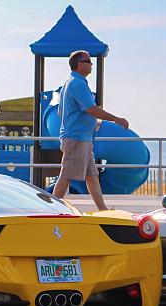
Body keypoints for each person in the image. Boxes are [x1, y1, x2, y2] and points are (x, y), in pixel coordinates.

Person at [52, 50, 129, 210]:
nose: (91, 64)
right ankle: (51, 208)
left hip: (82, 139)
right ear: (79, 64)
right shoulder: (78, 84)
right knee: (66, 175)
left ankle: (103, 209)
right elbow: (91, 109)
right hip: (77, 139)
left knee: (92, 176)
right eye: (88, 61)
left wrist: (90, 122)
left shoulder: (69, 83)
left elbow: (61, 111)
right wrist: (116, 119)